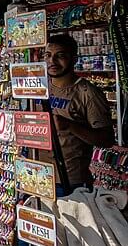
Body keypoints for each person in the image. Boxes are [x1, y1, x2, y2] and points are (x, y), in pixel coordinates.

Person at [44, 33, 115, 191]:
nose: (52, 61)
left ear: (74, 59)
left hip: (70, 180)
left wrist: (69, 126)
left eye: (60, 56)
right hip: (37, 175)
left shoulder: (87, 93)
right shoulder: (39, 88)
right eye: (48, 55)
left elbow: (107, 139)